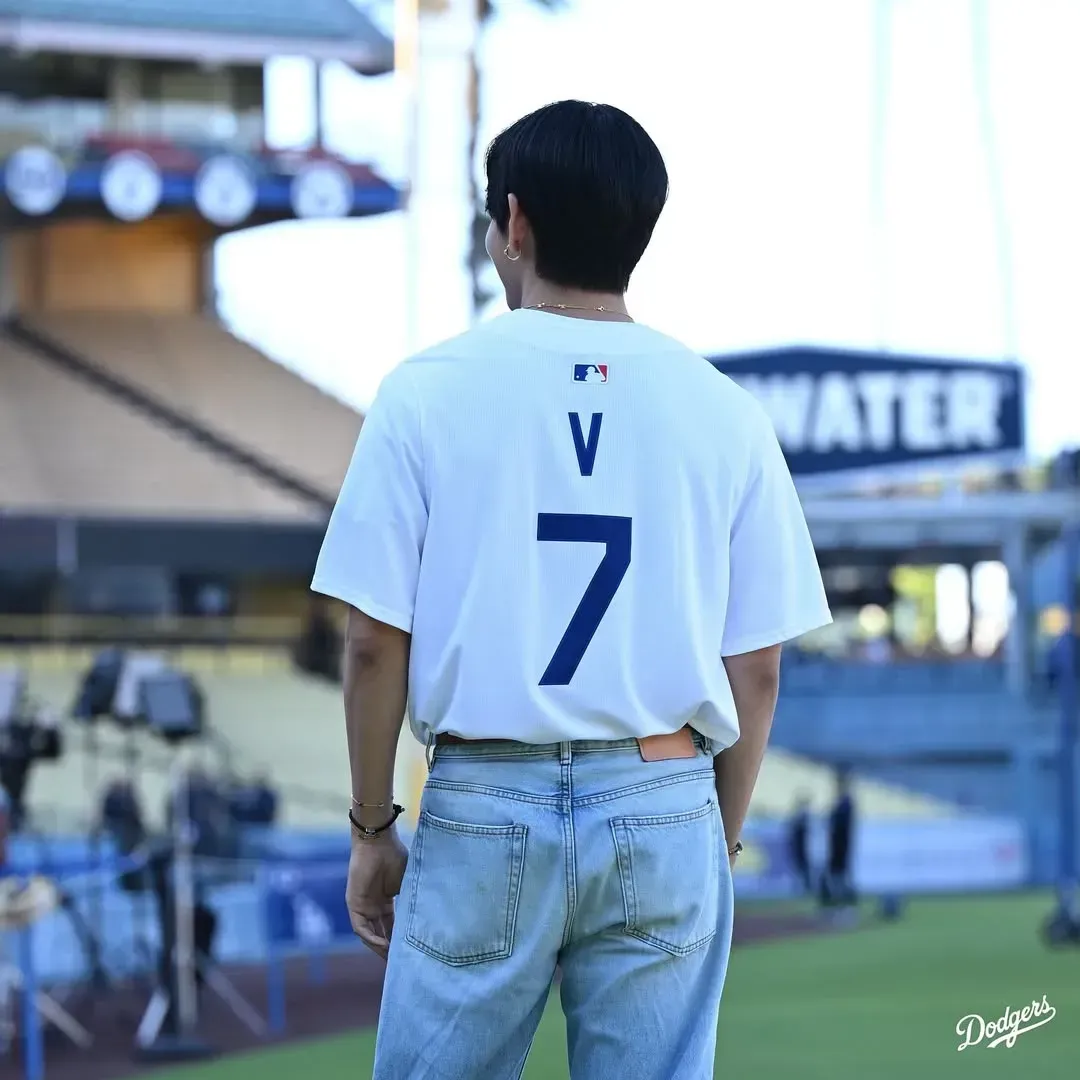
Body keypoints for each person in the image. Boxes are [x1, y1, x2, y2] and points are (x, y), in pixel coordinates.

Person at [311, 100, 832, 1080]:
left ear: (514, 223)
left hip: (483, 798)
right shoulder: (726, 412)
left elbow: (374, 641)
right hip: (664, 787)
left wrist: (374, 827)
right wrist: (707, 838)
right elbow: (755, 668)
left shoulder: (424, 391)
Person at [823, 765, 856, 910]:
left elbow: (842, 826)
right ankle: (841, 904)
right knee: (837, 875)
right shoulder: (840, 802)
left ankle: (844, 905)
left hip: (841, 845)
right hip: (836, 845)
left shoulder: (846, 803)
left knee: (840, 876)